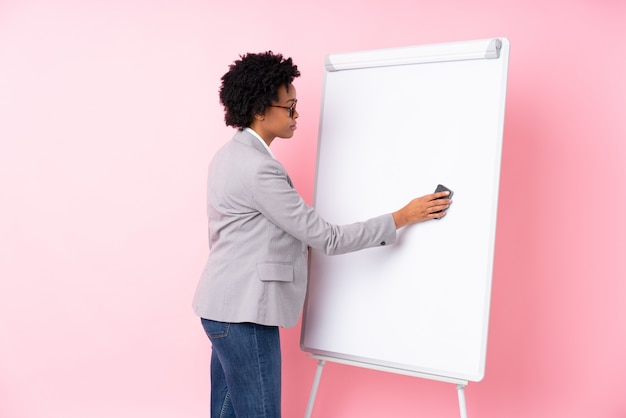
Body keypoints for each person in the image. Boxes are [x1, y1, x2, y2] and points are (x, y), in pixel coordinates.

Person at [192, 51, 452, 418]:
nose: (297, 115)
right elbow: (326, 238)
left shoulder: (227, 155)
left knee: (227, 411)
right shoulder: (258, 170)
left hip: (220, 308)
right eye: (290, 107)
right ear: (260, 110)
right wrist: (401, 216)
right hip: (244, 314)